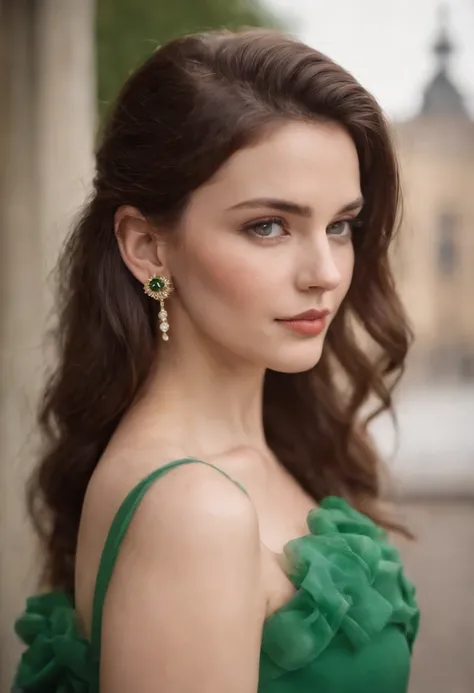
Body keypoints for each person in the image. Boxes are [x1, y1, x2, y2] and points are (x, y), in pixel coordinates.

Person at [12, 27, 419, 693]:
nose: (324, 272)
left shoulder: (268, 443)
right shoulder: (191, 510)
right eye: (268, 226)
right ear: (148, 248)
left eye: (340, 224)